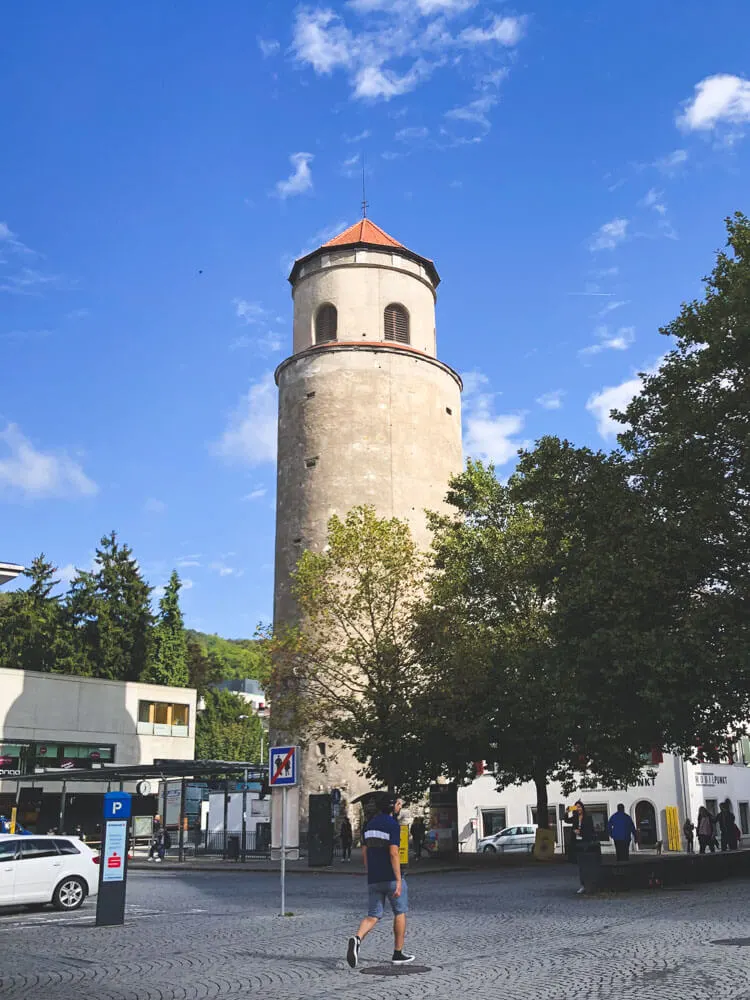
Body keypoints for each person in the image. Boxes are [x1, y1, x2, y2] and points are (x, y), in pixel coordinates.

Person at [346, 793, 414, 969]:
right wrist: (398, 879)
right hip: (390, 877)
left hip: (374, 878)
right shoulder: (392, 825)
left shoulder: (369, 825)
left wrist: (370, 871)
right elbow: (393, 853)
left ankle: (357, 938)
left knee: (373, 915)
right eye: (399, 804)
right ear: (392, 806)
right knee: (400, 912)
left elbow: (365, 852)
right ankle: (398, 953)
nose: (400, 807)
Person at [572, 801, 597, 894]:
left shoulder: (588, 818)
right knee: (580, 866)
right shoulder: (574, 818)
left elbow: (590, 830)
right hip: (577, 842)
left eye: (579, 807)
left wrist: (580, 832)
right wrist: (567, 811)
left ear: (582, 808)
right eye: (576, 807)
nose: (578, 809)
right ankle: (582, 884)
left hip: (586, 842)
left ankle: (589, 885)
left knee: (587, 865)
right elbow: (565, 819)